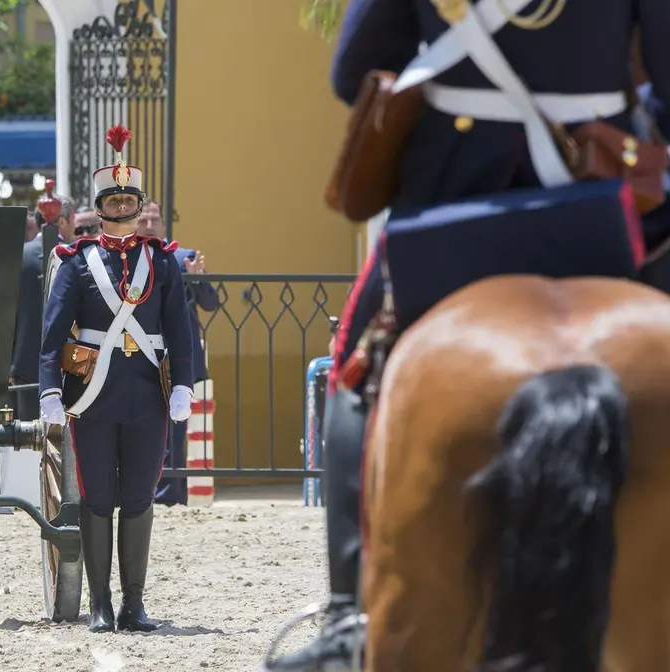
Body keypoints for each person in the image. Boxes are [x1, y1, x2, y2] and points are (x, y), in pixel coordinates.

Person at [264, 3, 670, 670]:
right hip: (608, 196)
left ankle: (351, 615)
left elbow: (353, 74)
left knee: (355, 372)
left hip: (454, 193)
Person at [38, 124, 195, 633]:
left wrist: (185, 386)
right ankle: (100, 604)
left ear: (140, 203)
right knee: (98, 496)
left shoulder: (163, 262)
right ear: (102, 204)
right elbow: (53, 332)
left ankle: (134, 603)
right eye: (115, 199)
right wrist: (49, 390)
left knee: (140, 497)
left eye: (131, 199)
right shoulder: (77, 262)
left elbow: (180, 330)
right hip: (93, 397)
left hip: (149, 396)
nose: (124, 207)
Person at [136, 201, 221, 506]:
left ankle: (170, 495)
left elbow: (212, 304)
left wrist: (196, 277)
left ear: (163, 224)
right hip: (140, 356)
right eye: (143, 220)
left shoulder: (185, 257)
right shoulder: (128, 258)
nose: (148, 225)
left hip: (178, 357)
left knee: (175, 430)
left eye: (153, 220)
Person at [10, 182, 76, 420]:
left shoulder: (18, 255)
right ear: (62, 221)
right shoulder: (77, 258)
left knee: (29, 446)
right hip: (72, 364)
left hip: (26, 366)